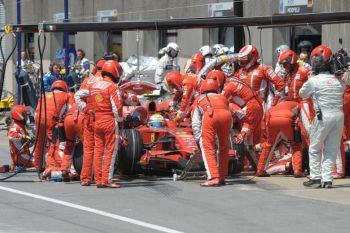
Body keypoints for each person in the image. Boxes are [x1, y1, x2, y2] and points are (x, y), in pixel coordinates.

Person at [299, 45, 350, 188]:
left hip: (323, 116)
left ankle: (315, 178)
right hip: (338, 116)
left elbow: (302, 94)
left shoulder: (314, 81)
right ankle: (327, 180)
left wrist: (309, 78)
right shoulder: (339, 82)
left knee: (314, 147)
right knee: (331, 148)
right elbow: (343, 86)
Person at [76, 60, 125, 188]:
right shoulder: (113, 87)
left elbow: (77, 95)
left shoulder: (92, 84)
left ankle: (96, 180)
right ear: (115, 72)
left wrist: (85, 109)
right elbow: (117, 107)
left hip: (94, 120)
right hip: (108, 121)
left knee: (96, 150)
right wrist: (120, 119)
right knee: (110, 151)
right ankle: (106, 180)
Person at [192, 78, 232, 186]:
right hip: (227, 117)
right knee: (224, 147)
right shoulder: (223, 98)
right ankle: (222, 176)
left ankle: (213, 177)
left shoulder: (199, 99)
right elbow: (230, 113)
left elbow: (195, 122)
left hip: (210, 116)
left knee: (207, 146)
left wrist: (198, 138)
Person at [256, 100, 304, 177]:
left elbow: (264, 119)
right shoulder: (296, 104)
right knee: (296, 145)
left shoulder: (273, 107)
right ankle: (297, 170)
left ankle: (260, 170)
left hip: (271, 119)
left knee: (269, 145)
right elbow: (302, 118)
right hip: (287, 119)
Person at [34, 80, 72, 173]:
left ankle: (38, 165)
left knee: (39, 142)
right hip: (51, 120)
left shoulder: (43, 95)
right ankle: (52, 165)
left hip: (38, 118)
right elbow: (70, 110)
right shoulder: (67, 95)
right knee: (53, 142)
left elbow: (37, 109)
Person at [236, 45, 285, 111]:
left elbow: (280, 84)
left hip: (261, 105)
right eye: (241, 61)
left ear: (252, 57)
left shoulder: (264, 69)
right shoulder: (240, 71)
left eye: (244, 61)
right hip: (244, 106)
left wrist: (275, 101)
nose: (242, 63)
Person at [7, 105, 35, 172]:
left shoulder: (21, 126)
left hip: (24, 154)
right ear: (19, 115)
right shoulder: (15, 127)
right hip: (21, 156)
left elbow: (27, 144)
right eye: (25, 116)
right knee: (40, 164)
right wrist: (24, 137)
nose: (27, 118)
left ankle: (16, 166)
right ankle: (21, 167)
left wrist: (33, 139)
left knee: (40, 159)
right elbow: (11, 136)